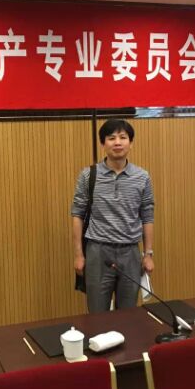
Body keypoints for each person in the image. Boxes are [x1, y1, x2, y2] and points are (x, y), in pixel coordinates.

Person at [72, 119, 155, 313]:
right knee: (97, 313)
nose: (117, 142)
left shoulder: (142, 177)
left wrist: (148, 254)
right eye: (111, 138)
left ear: (131, 143)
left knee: (128, 313)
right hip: (97, 252)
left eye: (123, 137)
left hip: (130, 252)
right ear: (103, 144)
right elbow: (77, 214)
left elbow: (147, 216)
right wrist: (78, 255)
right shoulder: (88, 175)